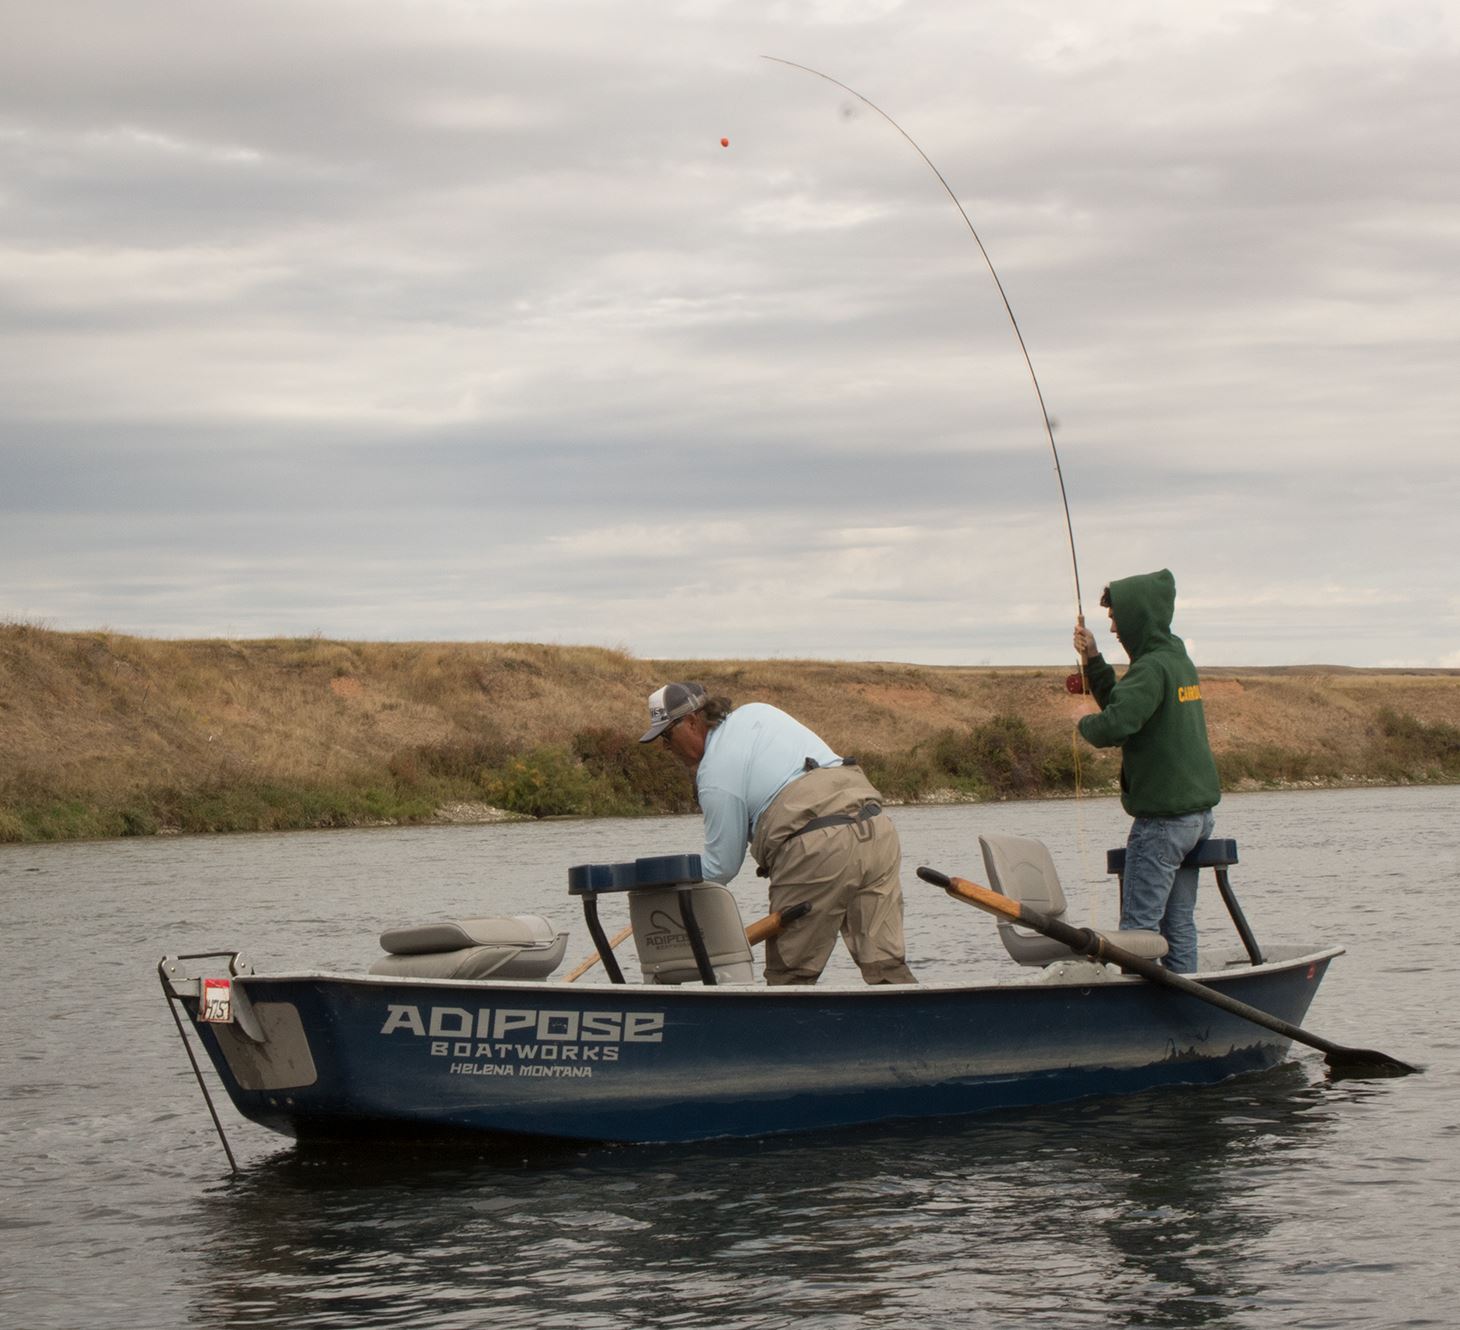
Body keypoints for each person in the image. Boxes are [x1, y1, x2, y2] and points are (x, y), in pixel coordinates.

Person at [639, 682, 916, 986]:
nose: (665, 748)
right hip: (876, 830)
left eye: (666, 736)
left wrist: (665, 885)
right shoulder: (757, 712)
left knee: (789, 977)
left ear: (691, 722)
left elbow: (720, 868)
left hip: (818, 846)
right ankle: (918, 1027)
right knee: (886, 967)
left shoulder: (715, 774)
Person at [1072, 569, 1221, 973]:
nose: (1115, 626)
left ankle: (1138, 1015)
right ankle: (1185, 1001)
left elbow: (1117, 724)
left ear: (1138, 616)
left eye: (1117, 617)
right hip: (1196, 821)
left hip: (1161, 825)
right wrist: (1094, 660)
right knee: (1178, 925)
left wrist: (1083, 721)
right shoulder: (1176, 661)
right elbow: (1128, 701)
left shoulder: (1151, 669)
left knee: (1138, 929)